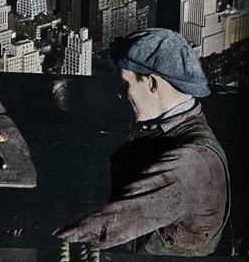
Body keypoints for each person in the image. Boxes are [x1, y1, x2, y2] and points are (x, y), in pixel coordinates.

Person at [53, 28, 230, 256]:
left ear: (153, 84)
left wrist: (40, 237)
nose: (120, 93)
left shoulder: (190, 164)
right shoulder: (180, 124)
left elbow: (109, 225)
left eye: (125, 84)